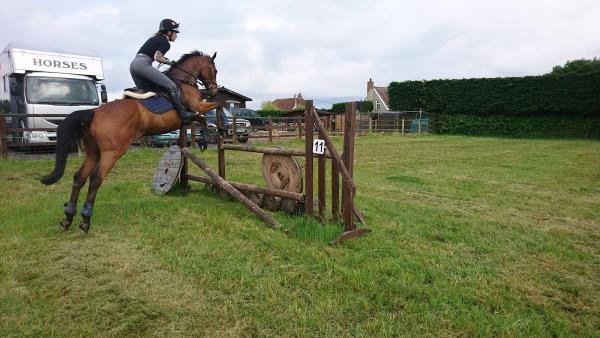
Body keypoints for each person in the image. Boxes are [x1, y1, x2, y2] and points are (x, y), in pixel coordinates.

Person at [130, 18, 196, 123]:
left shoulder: (154, 38)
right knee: (171, 86)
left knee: (148, 92)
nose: (176, 35)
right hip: (143, 65)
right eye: (175, 32)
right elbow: (157, 57)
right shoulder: (165, 42)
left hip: (134, 65)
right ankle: (183, 113)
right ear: (169, 32)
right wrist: (171, 63)